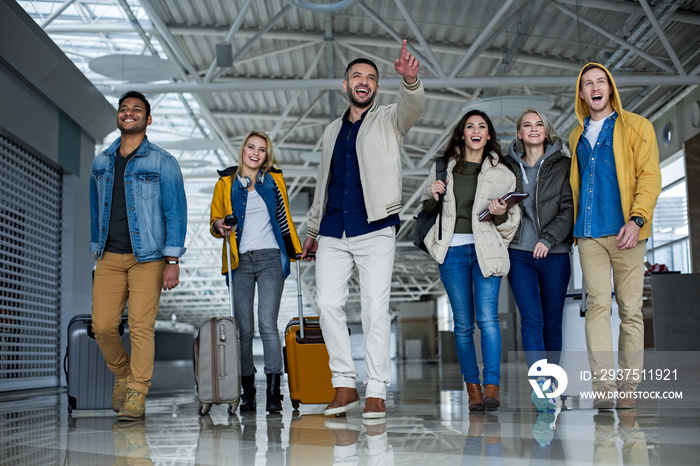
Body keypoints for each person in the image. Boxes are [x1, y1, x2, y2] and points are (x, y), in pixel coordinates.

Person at [301, 39, 426, 419]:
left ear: (376, 87)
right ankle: (343, 385)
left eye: (371, 77)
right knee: (326, 305)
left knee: (375, 309)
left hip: (375, 227)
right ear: (345, 85)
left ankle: (375, 390)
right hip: (333, 229)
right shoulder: (330, 131)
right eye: (356, 76)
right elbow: (323, 181)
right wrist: (311, 229)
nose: (364, 82)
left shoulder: (389, 119)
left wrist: (411, 81)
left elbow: (413, 107)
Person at [90, 90, 187, 421]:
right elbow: (94, 207)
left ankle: (137, 394)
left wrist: (172, 260)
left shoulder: (163, 162)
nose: (128, 112)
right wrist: (95, 248)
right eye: (123, 108)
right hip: (109, 256)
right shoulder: (101, 161)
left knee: (141, 327)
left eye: (136, 109)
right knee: (103, 326)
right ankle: (122, 373)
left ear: (148, 119)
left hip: (149, 256)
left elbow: (176, 212)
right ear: (118, 117)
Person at [569, 63, 661, 409]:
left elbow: (650, 177)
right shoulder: (575, 135)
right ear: (581, 93)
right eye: (587, 83)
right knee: (597, 308)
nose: (594, 88)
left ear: (610, 88)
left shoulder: (638, 127)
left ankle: (629, 387)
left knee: (630, 310)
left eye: (600, 82)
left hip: (628, 234)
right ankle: (604, 387)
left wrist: (637, 220)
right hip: (589, 235)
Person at [421, 110, 520, 411]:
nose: (476, 131)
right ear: (462, 133)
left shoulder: (503, 174)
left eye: (482, 127)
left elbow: (511, 225)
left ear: (489, 135)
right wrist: (432, 194)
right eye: (470, 126)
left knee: (487, 320)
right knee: (463, 325)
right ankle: (473, 389)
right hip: (452, 252)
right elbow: (426, 211)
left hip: (485, 251)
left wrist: (501, 212)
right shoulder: (443, 169)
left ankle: (492, 387)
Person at [210, 130, 302, 413]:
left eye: (262, 149)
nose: (256, 153)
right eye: (251, 147)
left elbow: (284, 217)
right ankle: (248, 390)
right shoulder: (225, 184)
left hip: (271, 258)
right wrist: (220, 227)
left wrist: (295, 249)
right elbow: (214, 221)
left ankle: (274, 393)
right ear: (243, 150)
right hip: (240, 262)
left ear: (266, 155)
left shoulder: (274, 181)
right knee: (244, 330)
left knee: (267, 325)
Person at [504, 109, 573, 412]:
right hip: (519, 252)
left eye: (539, 125)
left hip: (555, 253)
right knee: (530, 320)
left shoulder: (565, 166)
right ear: (519, 133)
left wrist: (548, 239)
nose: (533, 129)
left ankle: (551, 386)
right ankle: (542, 390)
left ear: (546, 132)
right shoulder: (506, 168)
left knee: (552, 326)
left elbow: (569, 208)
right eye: (527, 125)